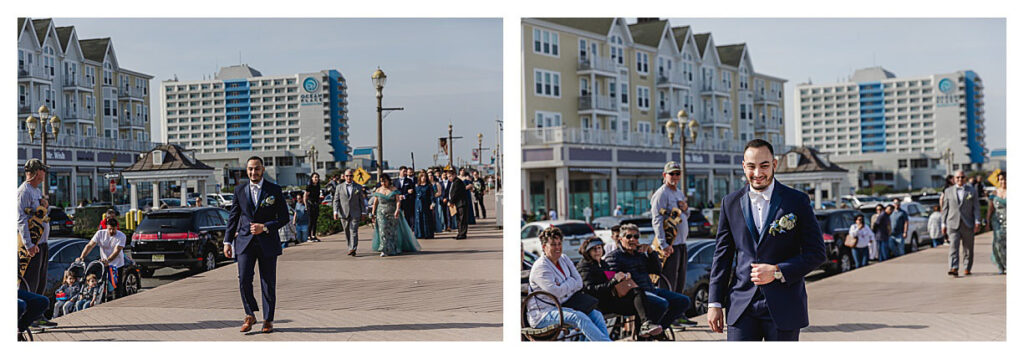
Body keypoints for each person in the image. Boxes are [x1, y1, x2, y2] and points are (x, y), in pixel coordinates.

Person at [707, 139, 826, 341]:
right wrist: (714, 303)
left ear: (774, 164)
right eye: (751, 166)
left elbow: (816, 254)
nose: (757, 173)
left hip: (785, 305)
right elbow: (722, 257)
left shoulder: (797, 201)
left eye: (764, 165)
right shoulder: (730, 203)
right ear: (743, 166)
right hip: (741, 305)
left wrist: (778, 271)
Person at [225, 156, 289, 333]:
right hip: (244, 242)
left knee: (268, 282)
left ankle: (268, 320)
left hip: (267, 242)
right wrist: (227, 241)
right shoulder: (240, 190)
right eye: (250, 169)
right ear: (247, 171)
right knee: (244, 279)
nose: (253, 172)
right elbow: (233, 217)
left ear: (262, 170)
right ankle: (250, 314)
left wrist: (265, 227)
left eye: (257, 169)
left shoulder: (274, 190)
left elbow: (284, 218)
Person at [525, 227, 611, 341]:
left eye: (559, 244)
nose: (557, 248)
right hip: (543, 314)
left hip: (566, 306)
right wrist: (571, 281)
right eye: (553, 244)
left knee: (597, 315)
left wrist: (563, 285)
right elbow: (556, 292)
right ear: (544, 247)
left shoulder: (564, 258)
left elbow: (579, 283)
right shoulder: (540, 266)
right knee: (579, 317)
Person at [607, 223, 691, 336]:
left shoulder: (640, 254)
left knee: (684, 301)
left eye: (636, 237)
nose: (632, 239)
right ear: (621, 238)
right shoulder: (614, 256)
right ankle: (648, 331)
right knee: (662, 303)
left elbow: (657, 271)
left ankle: (658, 330)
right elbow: (611, 279)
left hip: (651, 289)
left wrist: (651, 252)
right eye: (628, 236)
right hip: (635, 295)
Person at [576, 237, 663, 338]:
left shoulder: (602, 263)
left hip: (610, 298)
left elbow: (610, 279)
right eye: (593, 249)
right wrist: (614, 280)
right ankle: (644, 330)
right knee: (643, 305)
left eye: (599, 248)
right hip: (599, 304)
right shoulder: (584, 266)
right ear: (587, 252)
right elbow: (590, 290)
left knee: (639, 295)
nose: (597, 251)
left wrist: (623, 277)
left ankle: (645, 328)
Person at [650, 161, 697, 327]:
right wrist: (663, 244)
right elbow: (656, 220)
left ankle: (679, 314)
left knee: (680, 281)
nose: (675, 177)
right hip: (670, 245)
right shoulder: (661, 194)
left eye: (677, 173)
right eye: (672, 174)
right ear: (664, 175)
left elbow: (686, 215)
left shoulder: (678, 192)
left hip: (681, 244)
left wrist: (686, 208)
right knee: (668, 282)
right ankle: (668, 316)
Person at [942, 170, 982, 277]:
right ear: (954, 179)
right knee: (953, 247)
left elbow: (976, 208)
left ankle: (967, 267)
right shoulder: (948, 191)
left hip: (967, 223)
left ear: (965, 178)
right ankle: (953, 267)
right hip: (953, 223)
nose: (960, 179)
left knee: (968, 248)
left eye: (962, 177)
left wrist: (977, 221)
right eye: (958, 177)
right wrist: (943, 224)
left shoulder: (972, 190)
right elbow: (945, 209)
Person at [370, 174, 421, 256]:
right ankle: (384, 249)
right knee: (382, 230)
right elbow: (375, 203)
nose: (383, 183)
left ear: (388, 181)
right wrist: (373, 213)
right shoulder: (378, 190)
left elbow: (398, 201)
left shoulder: (394, 189)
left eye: (385, 181)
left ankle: (393, 248)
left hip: (392, 212)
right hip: (381, 213)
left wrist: (397, 209)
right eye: (381, 181)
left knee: (392, 231)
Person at [333, 169, 366, 256]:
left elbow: (362, 201)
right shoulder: (339, 187)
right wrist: (335, 211)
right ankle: (349, 247)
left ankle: (353, 248)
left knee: (353, 230)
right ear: (344, 176)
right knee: (347, 231)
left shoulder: (358, 187)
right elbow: (336, 201)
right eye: (347, 176)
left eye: (351, 176)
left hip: (355, 213)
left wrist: (363, 212)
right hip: (343, 213)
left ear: (353, 176)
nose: (349, 178)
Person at [987, 171, 1006, 274]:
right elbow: (990, 209)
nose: (1003, 181)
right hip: (997, 221)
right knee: (997, 243)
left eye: (1005, 179)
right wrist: (988, 221)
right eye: (1001, 179)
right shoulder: (994, 194)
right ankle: (1000, 265)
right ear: (998, 181)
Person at [413, 171, 437, 239]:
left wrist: (432, 203)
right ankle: (419, 234)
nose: (423, 178)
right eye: (422, 177)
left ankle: (427, 234)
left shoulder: (429, 186)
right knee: (418, 218)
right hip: (418, 204)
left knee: (426, 218)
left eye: (424, 177)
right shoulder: (416, 185)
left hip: (426, 203)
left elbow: (432, 195)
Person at [449, 169, 471, 239]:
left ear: (454, 175)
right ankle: (460, 233)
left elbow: (455, 193)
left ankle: (462, 234)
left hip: (461, 203)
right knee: (459, 219)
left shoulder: (457, 182)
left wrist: (451, 201)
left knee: (462, 219)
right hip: (458, 203)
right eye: (448, 176)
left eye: (450, 176)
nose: (449, 178)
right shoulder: (455, 182)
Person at [305, 173, 322, 242]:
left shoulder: (318, 186)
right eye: (314, 177)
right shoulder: (309, 186)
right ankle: (309, 236)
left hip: (316, 204)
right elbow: (305, 196)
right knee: (311, 221)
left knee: (315, 220)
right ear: (311, 178)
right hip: (310, 204)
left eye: (317, 177)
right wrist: (306, 205)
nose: (316, 179)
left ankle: (313, 235)